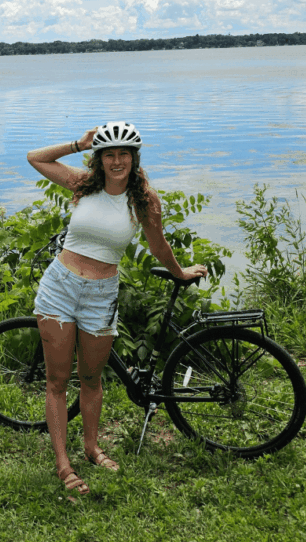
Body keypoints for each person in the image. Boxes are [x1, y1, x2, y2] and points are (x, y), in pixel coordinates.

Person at [26, 122, 208, 496]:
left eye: (124, 153)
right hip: (59, 288)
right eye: (109, 153)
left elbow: (158, 246)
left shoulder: (144, 201)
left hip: (101, 294)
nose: (117, 160)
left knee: (92, 378)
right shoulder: (82, 184)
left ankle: (91, 448)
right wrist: (78, 143)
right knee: (58, 380)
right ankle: (63, 463)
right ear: (100, 159)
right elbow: (35, 158)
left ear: (134, 157)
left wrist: (179, 271)